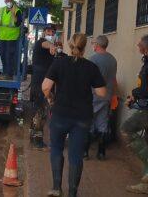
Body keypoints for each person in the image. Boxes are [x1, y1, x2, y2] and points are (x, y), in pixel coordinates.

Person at [42, 33, 106, 197]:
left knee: (56, 148)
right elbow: (101, 92)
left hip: (60, 114)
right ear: (85, 47)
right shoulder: (91, 67)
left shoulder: (59, 63)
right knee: (76, 155)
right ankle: (72, 193)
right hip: (82, 118)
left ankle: (56, 188)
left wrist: (50, 99)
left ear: (70, 46)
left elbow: (45, 87)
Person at [84, 35, 117, 160]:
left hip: (93, 96)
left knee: (89, 123)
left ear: (97, 45)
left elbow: (87, 79)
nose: (93, 45)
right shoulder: (113, 59)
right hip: (107, 97)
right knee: (103, 124)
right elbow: (114, 79)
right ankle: (101, 153)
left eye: (93, 43)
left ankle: (85, 152)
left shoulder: (92, 59)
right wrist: (113, 94)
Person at [122, 34, 148, 194]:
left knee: (126, 129)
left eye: (139, 44)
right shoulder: (146, 61)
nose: (137, 45)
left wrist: (134, 93)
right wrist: (134, 97)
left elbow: (146, 89)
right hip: (143, 104)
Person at [29, 25, 57, 149]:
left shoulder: (51, 47)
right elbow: (46, 44)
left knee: (37, 111)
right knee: (41, 112)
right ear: (44, 32)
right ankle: (38, 141)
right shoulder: (42, 43)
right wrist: (51, 46)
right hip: (40, 85)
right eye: (48, 31)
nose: (50, 33)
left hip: (40, 83)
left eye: (53, 31)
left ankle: (33, 136)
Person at [0, 0, 23, 80]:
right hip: (2, 37)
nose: (8, 2)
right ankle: (5, 73)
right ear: (5, 1)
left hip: (12, 38)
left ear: (12, 1)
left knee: (9, 56)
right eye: (7, 0)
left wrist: (13, 12)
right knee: (2, 55)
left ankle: (9, 75)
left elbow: (18, 23)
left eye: (10, 1)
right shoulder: (2, 10)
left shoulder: (17, 11)